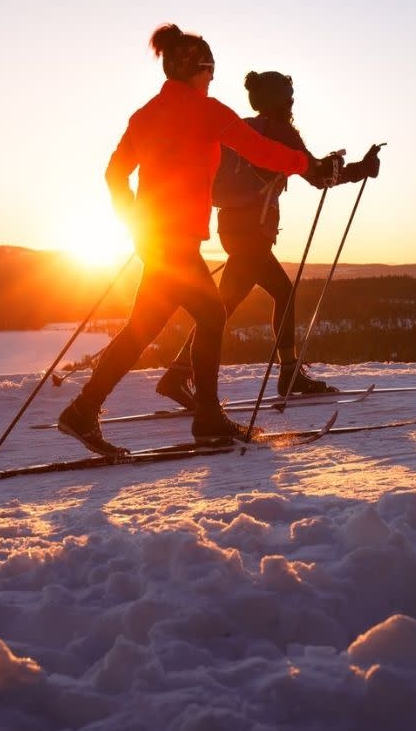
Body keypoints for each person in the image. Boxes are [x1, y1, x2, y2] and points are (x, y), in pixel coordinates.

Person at [58, 26, 342, 455]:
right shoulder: (206, 111)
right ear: (197, 70)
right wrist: (308, 164)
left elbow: (114, 174)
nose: (212, 81)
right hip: (175, 243)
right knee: (210, 315)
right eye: (210, 72)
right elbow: (261, 150)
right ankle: (207, 418)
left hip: (155, 240)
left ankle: (82, 411)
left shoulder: (145, 114)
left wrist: (134, 222)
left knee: (141, 329)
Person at [155, 70, 382, 410]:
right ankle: (188, 374)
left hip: (231, 228)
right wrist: (360, 169)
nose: (292, 102)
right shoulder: (282, 132)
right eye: (289, 96)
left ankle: (280, 371)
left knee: (267, 295)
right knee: (223, 308)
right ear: (281, 100)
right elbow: (318, 176)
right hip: (253, 233)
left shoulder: (246, 126)